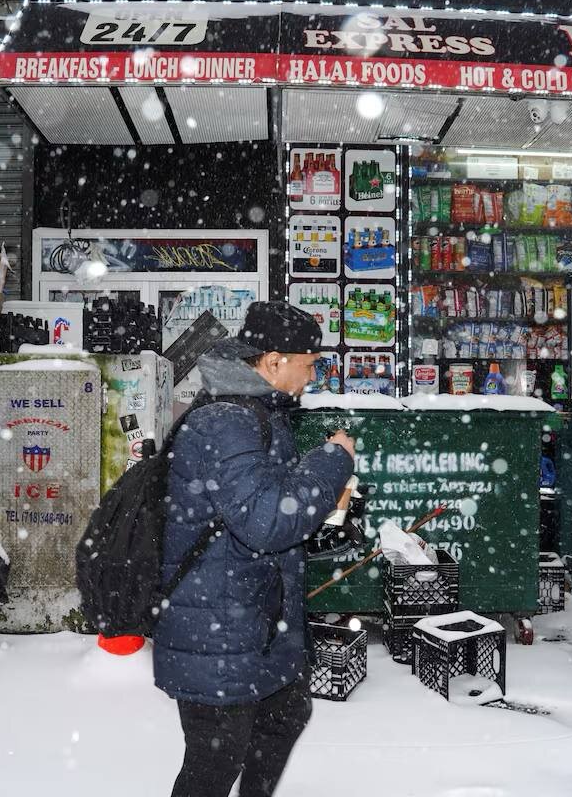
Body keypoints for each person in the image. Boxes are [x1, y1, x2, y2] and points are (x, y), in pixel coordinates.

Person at [153, 301, 356, 797]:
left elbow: (261, 512)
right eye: (308, 366)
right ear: (272, 362)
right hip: (216, 627)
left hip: (250, 619)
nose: (311, 379)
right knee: (214, 762)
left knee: (285, 714)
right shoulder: (227, 421)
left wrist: (327, 505)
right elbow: (266, 522)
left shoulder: (254, 414)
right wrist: (333, 462)